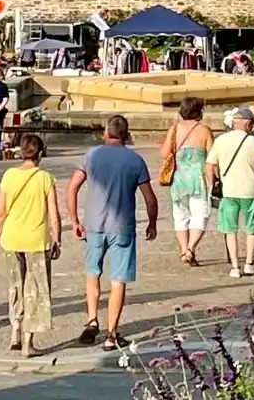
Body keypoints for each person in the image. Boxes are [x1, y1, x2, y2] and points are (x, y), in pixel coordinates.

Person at [66, 114, 157, 351]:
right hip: (122, 226)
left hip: (94, 224)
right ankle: (111, 334)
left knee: (92, 272)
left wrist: (75, 219)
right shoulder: (135, 161)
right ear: (126, 135)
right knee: (118, 280)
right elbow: (150, 199)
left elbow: (72, 187)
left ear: (105, 133)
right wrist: (152, 223)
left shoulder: (92, 155)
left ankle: (92, 318)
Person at [0, 132, 61, 357]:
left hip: (11, 238)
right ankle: (28, 343)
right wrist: (57, 239)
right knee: (36, 290)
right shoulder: (45, 179)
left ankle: (15, 330)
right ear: (40, 154)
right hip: (36, 240)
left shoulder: (9, 176)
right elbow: (54, 215)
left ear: (20, 153)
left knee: (16, 287)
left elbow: (0, 212)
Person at [206, 106, 254, 278]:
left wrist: (214, 182)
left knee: (230, 230)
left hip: (229, 191)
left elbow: (211, 164)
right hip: (250, 190)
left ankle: (234, 267)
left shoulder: (221, 140)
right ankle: (249, 263)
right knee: (251, 228)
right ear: (248, 124)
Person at [159, 97, 214, 266]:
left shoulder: (174, 129)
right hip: (199, 178)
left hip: (179, 178)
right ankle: (190, 248)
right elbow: (212, 157)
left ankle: (184, 249)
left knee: (180, 215)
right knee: (201, 215)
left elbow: (164, 153)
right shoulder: (204, 131)